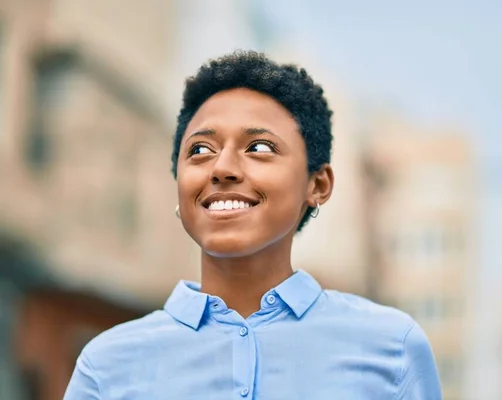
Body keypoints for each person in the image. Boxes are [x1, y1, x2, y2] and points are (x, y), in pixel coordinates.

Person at [64, 50, 441, 399]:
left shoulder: (392, 349)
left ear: (318, 185)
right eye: (199, 150)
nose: (222, 167)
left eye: (259, 147)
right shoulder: (106, 367)